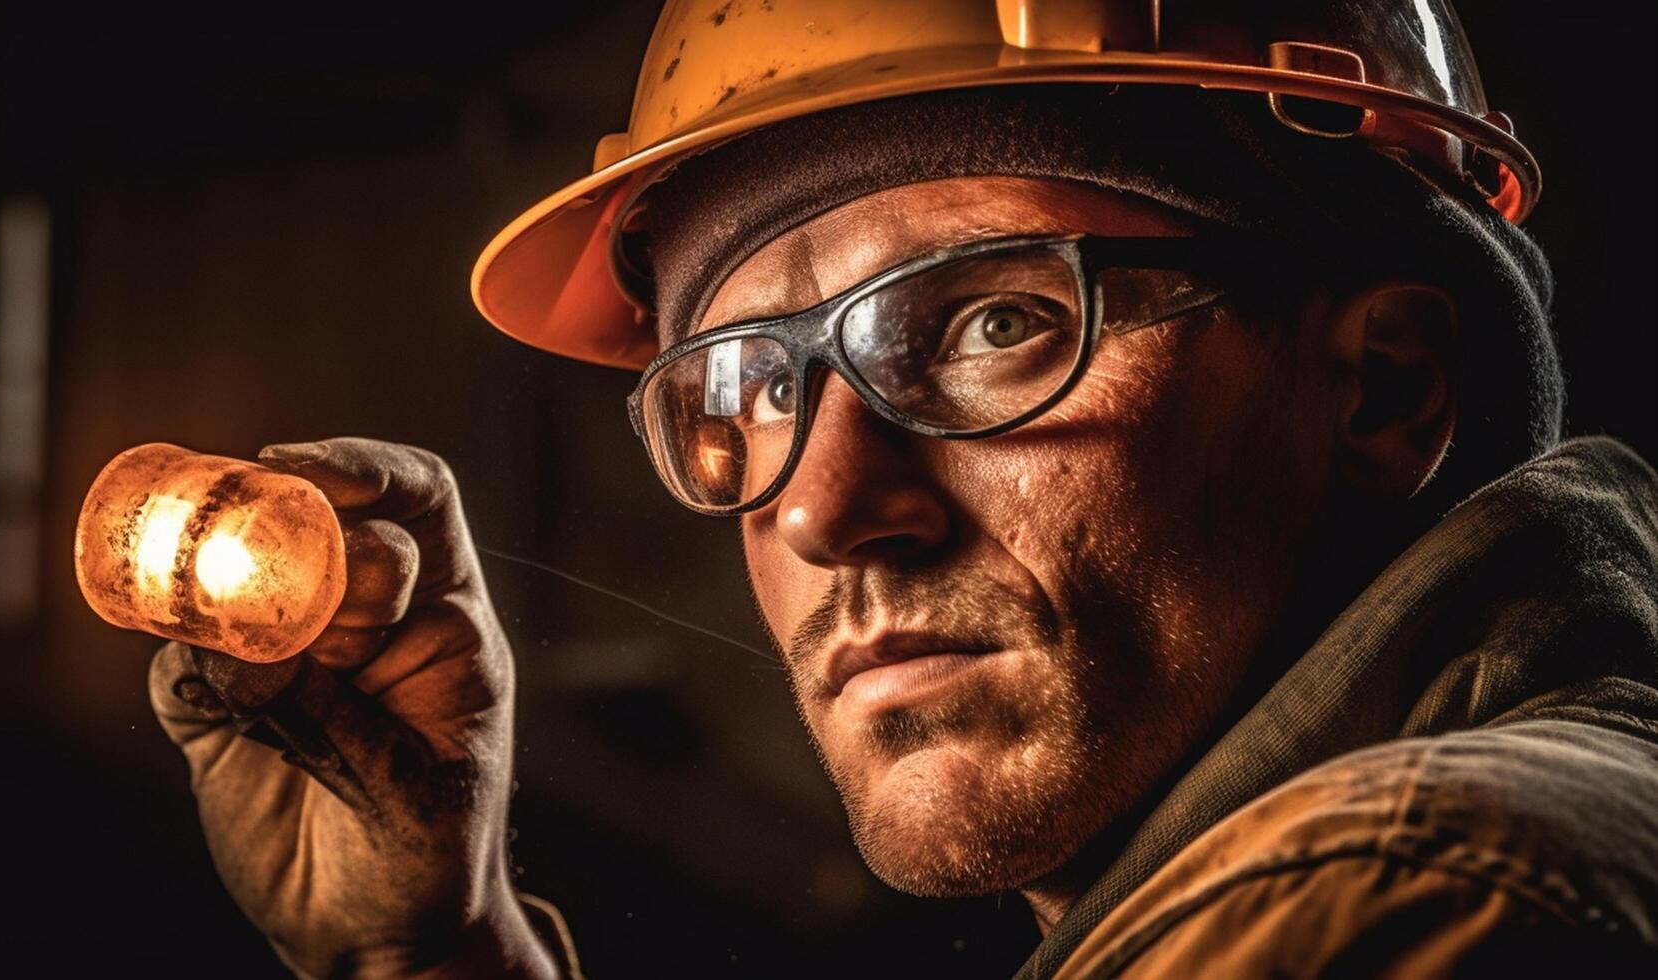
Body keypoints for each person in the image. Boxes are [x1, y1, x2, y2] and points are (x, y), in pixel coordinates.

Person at [146, 2, 1658, 976]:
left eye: (998, 325)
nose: (822, 508)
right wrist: (441, 957)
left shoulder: (1393, 907)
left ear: (1386, 388)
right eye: (744, 387)